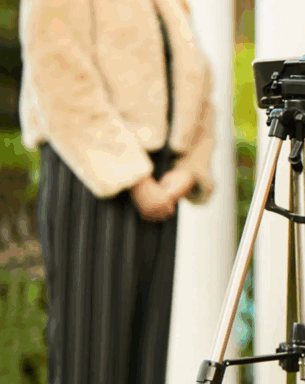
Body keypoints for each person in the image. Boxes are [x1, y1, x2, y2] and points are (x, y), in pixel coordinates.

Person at [19, 0, 216, 383]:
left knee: (147, 362)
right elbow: (59, 75)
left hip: (161, 179)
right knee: (93, 363)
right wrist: (134, 179)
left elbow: (196, 77)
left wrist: (191, 167)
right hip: (92, 178)